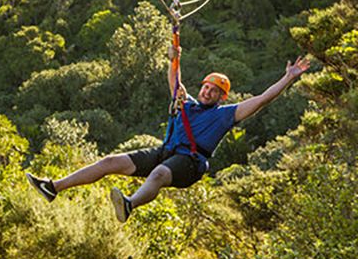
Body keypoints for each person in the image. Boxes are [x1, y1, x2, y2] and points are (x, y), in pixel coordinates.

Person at [26, 33, 310, 223]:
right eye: (207, 87)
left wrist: (288, 78)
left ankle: (129, 205)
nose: (208, 92)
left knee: (160, 174)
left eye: (214, 91)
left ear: (222, 97)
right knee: (112, 161)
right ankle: (53, 187)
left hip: (190, 163)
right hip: (165, 152)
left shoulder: (226, 115)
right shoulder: (183, 103)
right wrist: (174, 55)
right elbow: (174, 76)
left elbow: (262, 99)